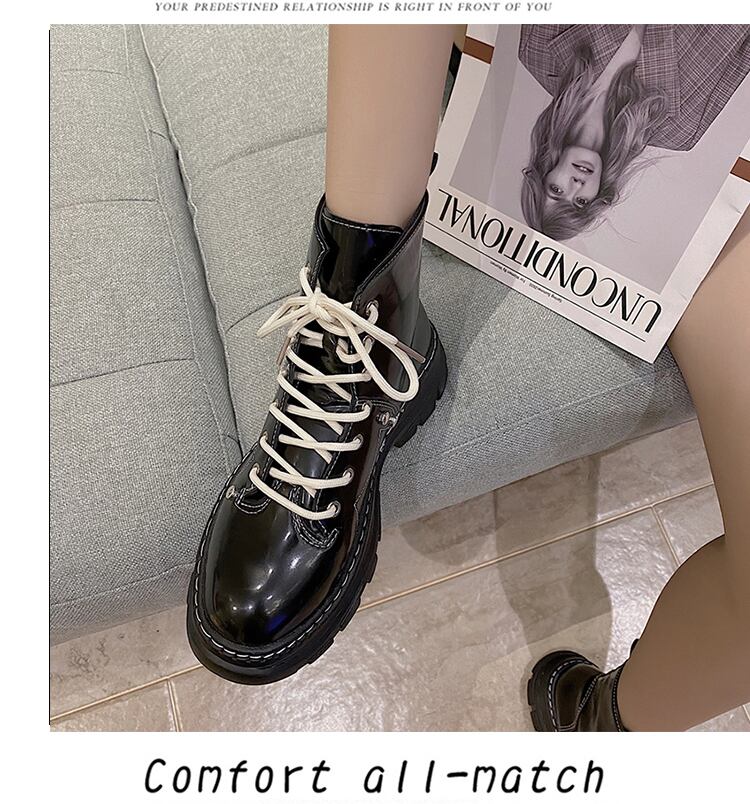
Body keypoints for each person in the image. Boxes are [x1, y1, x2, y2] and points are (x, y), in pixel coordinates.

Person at [186, 25, 750, 732]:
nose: (572, 184)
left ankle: (601, 723)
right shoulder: (579, 71)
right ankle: (359, 311)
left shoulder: (681, 121)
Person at [519, 24, 750, 240]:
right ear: (598, 196)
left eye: (557, 190)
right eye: (581, 201)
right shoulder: (681, 129)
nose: (577, 185)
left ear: (544, 171)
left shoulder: (537, 52)